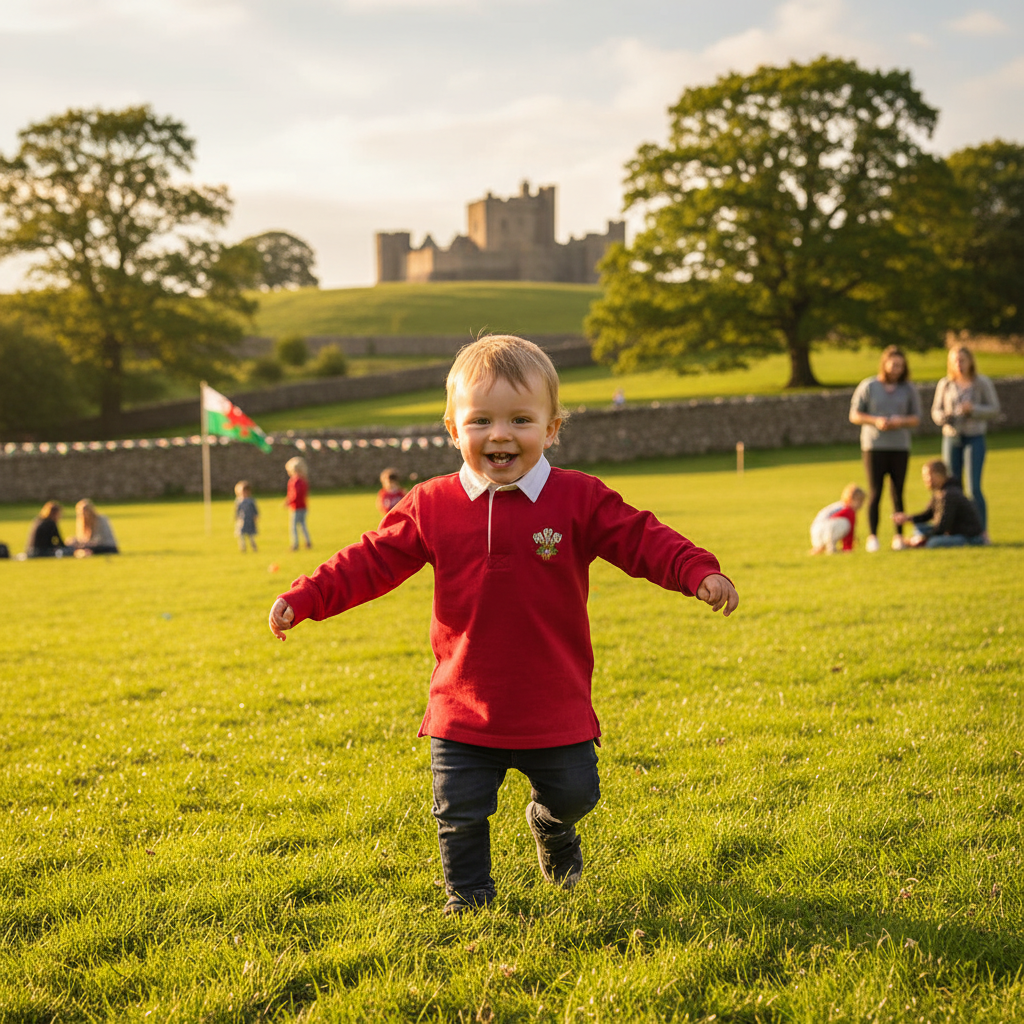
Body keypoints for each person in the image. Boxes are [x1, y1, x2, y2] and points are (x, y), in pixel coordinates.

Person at [268, 335, 738, 916]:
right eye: (481, 419)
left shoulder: (578, 498)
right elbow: (370, 560)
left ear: (552, 427)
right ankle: (469, 902)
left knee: (576, 793)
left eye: (521, 418)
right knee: (458, 810)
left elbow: (640, 537)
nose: (500, 434)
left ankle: (551, 825)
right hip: (462, 702)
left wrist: (695, 570)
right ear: (452, 428)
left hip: (553, 698)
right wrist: (307, 595)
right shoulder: (431, 504)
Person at [849, 346, 922, 552]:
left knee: (897, 492)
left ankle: (899, 535)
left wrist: (901, 421)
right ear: (884, 363)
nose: (896, 369)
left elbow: (917, 418)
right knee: (875, 492)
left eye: (900, 365)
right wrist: (875, 421)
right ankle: (873, 536)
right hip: (874, 446)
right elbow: (854, 415)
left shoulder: (908, 389)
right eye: (893, 364)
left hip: (899, 446)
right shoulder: (870, 386)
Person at [931, 344, 1000, 541]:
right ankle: (957, 530)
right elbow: (935, 411)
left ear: (970, 361)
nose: (959, 364)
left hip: (974, 437)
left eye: (962, 360)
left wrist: (974, 409)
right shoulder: (945, 384)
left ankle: (981, 531)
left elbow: (994, 409)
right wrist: (944, 417)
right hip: (952, 438)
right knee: (953, 487)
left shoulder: (981, 383)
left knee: (973, 487)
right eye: (955, 361)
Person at [894, 459, 985, 548]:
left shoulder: (949, 495)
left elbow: (942, 527)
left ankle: (913, 544)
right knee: (919, 528)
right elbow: (927, 515)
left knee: (933, 543)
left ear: (939, 475)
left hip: (967, 537)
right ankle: (914, 542)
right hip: (951, 533)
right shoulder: (939, 492)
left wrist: (923, 538)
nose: (926, 480)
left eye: (928, 475)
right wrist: (907, 518)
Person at [809, 484, 866, 554]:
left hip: (815, 530)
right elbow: (849, 531)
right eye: (860, 501)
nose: (861, 505)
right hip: (825, 530)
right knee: (845, 523)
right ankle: (831, 548)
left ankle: (820, 547)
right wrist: (848, 547)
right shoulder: (849, 511)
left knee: (837, 523)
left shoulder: (839, 505)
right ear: (852, 499)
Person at [284, 456, 311, 551]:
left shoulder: (295, 481)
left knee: (294, 526)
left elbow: (295, 494)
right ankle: (308, 541)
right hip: (303, 506)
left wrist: (288, 502)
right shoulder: (304, 480)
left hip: (296, 507)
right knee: (303, 525)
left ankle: (295, 544)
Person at [234, 481, 259, 553]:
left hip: (249, 520)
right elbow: (237, 510)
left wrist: (255, 516)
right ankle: (243, 547)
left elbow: (255, 510)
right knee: (241, 534)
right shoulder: (238, 501)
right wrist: (237, 517)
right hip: (242, 520)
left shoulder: (251, 501)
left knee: (250, 535)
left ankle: (253, 546)